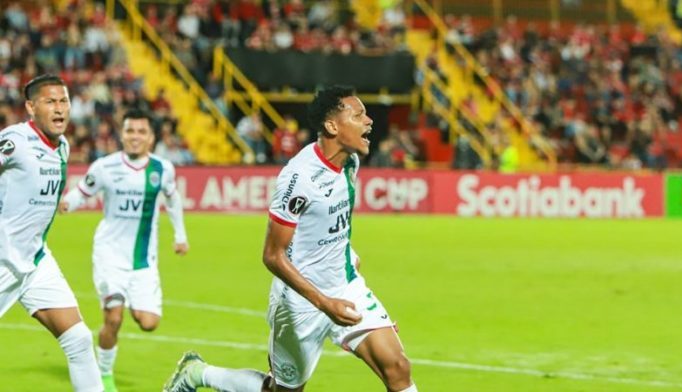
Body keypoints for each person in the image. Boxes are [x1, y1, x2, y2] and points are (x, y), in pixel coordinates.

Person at [163, 86, 417, 392]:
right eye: (358, 114)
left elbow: (334, 226)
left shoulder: (350, 162)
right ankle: (198, 373)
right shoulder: (298, 179)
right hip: (299, 303)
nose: (369, 121)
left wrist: (350, 260)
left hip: (345, 287)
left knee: (398, 367)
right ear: (332, 126)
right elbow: (272, 255)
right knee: (281, 390)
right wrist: (324, 303)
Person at [60, 108, 189, 392]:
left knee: (149, 322)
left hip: (143, 260)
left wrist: (180, 236)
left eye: (142, 132)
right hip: (109, 255)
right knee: (114, 317)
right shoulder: (105, 167)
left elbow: (173, 199)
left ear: (152, 137)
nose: (135, 137)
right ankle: (104, 374)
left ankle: (127, 299)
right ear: (121, 133)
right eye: (130, 130)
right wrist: (67, 203)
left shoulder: (162, 169)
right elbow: (82, 192)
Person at [0, 74, 102, 391]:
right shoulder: (14, 141)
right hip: (3, 259)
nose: (59, 108)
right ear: (31, 107)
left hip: (35, 260)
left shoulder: (63, 147)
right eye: (50, 101)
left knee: (79, 340)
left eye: (63, 101)